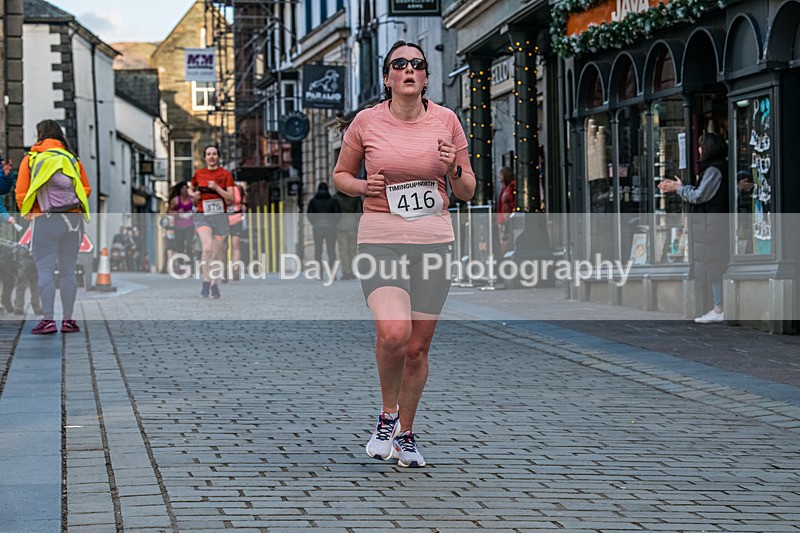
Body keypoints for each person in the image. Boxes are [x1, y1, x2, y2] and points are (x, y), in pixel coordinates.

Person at [332, 40, 475, 467]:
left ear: (427, 77)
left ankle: (406, 436)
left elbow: (468, 190)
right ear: (387, 77)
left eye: (417, 64)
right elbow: (341, 175)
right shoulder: (366, 122)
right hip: (381, 237)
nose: (409, 70)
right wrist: (363, 187)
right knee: (393, 333)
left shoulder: (448, 121)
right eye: (400, 64)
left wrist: (453, 168)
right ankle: (387, 416)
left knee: (417, 347)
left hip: (434, 243)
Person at [15, 119, 91, 334]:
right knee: (68, 272)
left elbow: (21, 193)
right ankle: (68, 320)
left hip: (45, 220)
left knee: (45, 271)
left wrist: (29, 214)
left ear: (40, 135)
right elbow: (85, 189)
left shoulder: (31, 159)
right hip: (73, 222)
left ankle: (48, 320)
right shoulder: (72, 159)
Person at [659, 132, 729, 323]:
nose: (698, 150)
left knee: (715, 264)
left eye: (701, 145)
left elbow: (699, 195)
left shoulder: (715, 169)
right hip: (714, 222)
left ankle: (718, 308)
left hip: (714, 223)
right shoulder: (718, 167)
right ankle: (717, 307)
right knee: (714, 263)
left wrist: (678, 189)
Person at [189, 145, 235, 299]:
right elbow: (190, 189)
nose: (212, 157)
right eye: (208, 154)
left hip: (220, 216)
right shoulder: (199, 173)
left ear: (218, 156)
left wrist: (216, 188)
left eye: (214, 154)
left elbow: (231, 197)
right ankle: (205, 281)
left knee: (215, 253)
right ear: (205, 157)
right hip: (203, 214)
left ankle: (214, 284)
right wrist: (193, 195)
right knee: (207, 248)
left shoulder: (225, 174)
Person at [306, 182, 340, 275]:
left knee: (318, 251)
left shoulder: (313, 201)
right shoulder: (333, 201)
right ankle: (332, 273)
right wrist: (333, 223)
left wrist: (315, 223)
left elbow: (309, 215)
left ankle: (319, 273)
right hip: (331, 228)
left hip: (317, 228)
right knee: (331, 251)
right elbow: (337, 215)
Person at [335, 188, 362, 280]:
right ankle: (353, 271)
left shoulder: (336, 197)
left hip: (340, 225)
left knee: (343, 250)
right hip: (353, 224)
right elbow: (359, 212)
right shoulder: (356, 197)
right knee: (353, 249)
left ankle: (346, 271)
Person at [167, 181, 195, 268]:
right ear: (179, 190)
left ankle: (190, 265)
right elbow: (169, 211)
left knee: (189, 245)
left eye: (186, 188)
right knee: (180, 246)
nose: (185, 190)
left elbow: (197, 208)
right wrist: (177, 212)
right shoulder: (175, 200)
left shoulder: (192, 200)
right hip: (179, 226)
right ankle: (181, 264)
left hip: (190, 225)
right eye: (183, 188)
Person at [227, 183, 246, 280]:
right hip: (223, 220)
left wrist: (243, 205)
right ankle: (223, 269)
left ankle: (236, 269)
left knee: (236, 245)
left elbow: (243, 200)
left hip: (237, 219)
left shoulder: (238, 188)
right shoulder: (220, 188)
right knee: (223, 246)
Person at [496, 166, 515, 256]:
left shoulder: (512, 186)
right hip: (505, 220)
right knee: (504, 241)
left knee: (506, 242)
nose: (499, 179)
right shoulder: (505, 188)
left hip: (510, 219)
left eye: (500, 176)